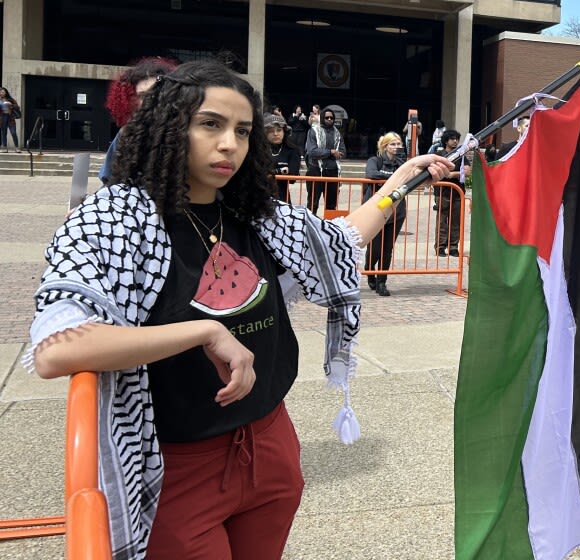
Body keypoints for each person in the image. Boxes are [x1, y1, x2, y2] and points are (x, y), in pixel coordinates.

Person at [25, 60, 451, 560]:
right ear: (167, 126)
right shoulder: (110, 221)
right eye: (210, 124)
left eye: (243, 130)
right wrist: (201, 331)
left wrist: (399, 180)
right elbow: (57, 351)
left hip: (271, 448)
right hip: (174, 468)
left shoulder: (256, 215)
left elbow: (340, 239)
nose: (230, 143)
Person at [100, 58, 178, 181]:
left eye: (156, 93)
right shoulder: (127, 134)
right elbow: (109, 178)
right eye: (142, 95)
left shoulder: (187, 130)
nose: (150, 100)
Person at [364, 133, 408, 296]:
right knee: (375, 248)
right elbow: (372, 173)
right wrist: (394, 179)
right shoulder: (375, 160)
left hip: (396, 212)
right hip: (376, 210)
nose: (397, 147)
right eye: (393, 144)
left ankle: (382, 281)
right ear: (385, 146)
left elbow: (410, 177)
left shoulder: (402, 164)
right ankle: (369, 269)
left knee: (387, 249)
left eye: (398, 144)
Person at [304, 109, 345, 214]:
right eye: (327, 117)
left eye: (332, 118)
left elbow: (342, 152)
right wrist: (331, 152)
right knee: (313, 204)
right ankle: (310, 228)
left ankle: (329, 229)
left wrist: (329, 153)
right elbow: (312, 152)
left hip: (332, 171)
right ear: (322, 118)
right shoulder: (313, 131)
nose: (329, 119)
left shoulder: (337, 133)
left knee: (331, 206)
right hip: (315, 170)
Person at [434, 129, 464, 256]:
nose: (455, 141)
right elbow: (437, 171)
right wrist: (454, 174)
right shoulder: (439, 154)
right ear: (446, 140)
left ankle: (453, 247)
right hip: (442, 192)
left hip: (458, 192)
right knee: (442, 220)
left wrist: (451, 174)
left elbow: (466, 171)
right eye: (452, 138)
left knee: (455, 221)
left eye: (457, 138)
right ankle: (440, 246)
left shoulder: (461, 154)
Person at [264, 113, 301, 202]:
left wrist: (270, 173)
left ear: (284, 132)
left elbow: (293, 177)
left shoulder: (292, 150)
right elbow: (256, 174)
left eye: (279, 130)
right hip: (261, 196)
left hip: (282, 197)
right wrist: (280, 171)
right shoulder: (259, 149)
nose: (275, 134)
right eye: (271, 131)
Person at [0, 87, 20, 152]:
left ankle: (17, 148)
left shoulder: (10, 99)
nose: (1, 93)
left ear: (6, 93)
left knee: (13, 132)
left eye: (3, 92)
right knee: (3, 133)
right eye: (0, 92)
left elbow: (17, 107)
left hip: (10, 117)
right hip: (2, 117)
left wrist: (11, 104)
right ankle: (4, 147)